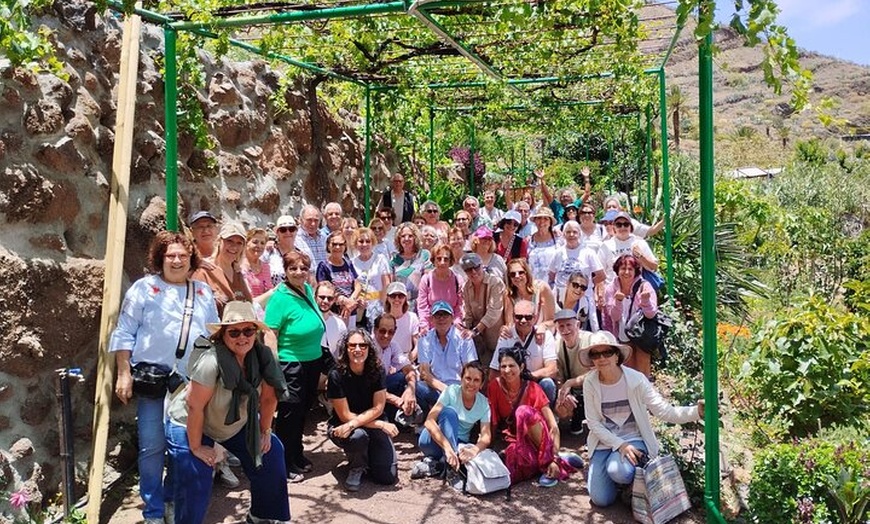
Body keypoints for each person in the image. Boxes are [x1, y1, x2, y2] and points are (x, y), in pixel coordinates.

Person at [110, 231, 219, 524]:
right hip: (153, 382)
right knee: (152, 447)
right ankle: (153, 510)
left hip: (191, 384)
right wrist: (123, 373)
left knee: (182, 448)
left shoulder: (202, 292)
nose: (177, 260)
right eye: (171, 255)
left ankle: (171, 498)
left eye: (183, 255)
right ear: (160, 258)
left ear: (191, 258)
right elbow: (124, 331)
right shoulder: (144, 288)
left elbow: (214, 334)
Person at [165, 301, 290, 524]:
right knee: (198, 474)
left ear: (256, 332)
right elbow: (194, 406)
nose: (242, 337)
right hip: (190, 422)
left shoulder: (263, 357)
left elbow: (269, 398)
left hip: (231, 422)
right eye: (234, 332)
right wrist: (196, 447)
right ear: (223, 334)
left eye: (248, 331)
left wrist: (265, 431)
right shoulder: (211, 361)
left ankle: (262, 516)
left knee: (271, 453)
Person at [581, 330, 703, 507]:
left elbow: (664, 411)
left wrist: (696, 412)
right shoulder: (590, 382)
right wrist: (620, 445)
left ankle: (630, 483)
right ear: (592, 359)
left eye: (607, 352)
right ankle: (618, 480)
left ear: (617, 355)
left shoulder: (635, 380)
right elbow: (593, 423)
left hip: (633, 438)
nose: (602, 358)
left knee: (619, 471)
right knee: (601, 499)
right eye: (595, 354)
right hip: (604, 441)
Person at [264, 251, 326, 481]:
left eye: (303, 268)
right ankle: (284, 461)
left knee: (302, 412)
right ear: (285, 271)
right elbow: (270, 333)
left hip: (312, 360)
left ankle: (296, 454)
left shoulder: (307, 289)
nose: (299, 272)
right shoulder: (279, 298)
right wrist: (274, 367)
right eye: (293, 268)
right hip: (291, 362)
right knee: (289, 415)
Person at [487, 345, 580, 486]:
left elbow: (553, 426)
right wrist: (489, 448)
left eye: (511, 366)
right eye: (503, 366)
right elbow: (493, 421)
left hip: (540, 438)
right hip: (517, 441)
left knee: (523, 412)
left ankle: (551, 463)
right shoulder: (494, 387)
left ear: (521, 367)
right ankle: (562, 460)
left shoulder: (533, 388)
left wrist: (553, 458)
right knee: (511, 469)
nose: (507, 370)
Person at [327, 329, 400, 491]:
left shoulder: (378, 370)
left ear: (369, 348)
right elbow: (345, 416)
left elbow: (378, 408)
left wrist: (354, 424)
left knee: (387, 477)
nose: (358, 349)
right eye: (352, 345)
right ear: (345, 348)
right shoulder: (336, 375)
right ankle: (357, 466)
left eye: (362, 345)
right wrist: (380, 424)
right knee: (358, 436)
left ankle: (369, 456)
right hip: (343, 426)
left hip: (363, 423)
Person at [412, 362, 492, 479]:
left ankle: (439, 464)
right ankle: (450, 465)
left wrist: (474, 450)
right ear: (461, 379)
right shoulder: (451, 392)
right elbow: (429, 421)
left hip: (459, 444)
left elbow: (486, 436)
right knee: (449, 412)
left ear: (481, 384)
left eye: (476, 380)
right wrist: (448, 448)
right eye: (468, 378)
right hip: (434, 440)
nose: (471, 383)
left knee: (458, 454)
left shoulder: (483, 403)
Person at [416, 301, 479, 417]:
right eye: (437, 315)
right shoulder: (424, 339)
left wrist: (457, 392)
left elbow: (471, 371)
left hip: (460, 389)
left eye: (445, 315)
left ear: (452, 318)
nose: (441, 319)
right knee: (418, 387)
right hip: (436, 388)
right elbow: (424, 373)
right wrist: (446, 390)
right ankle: (427, 417)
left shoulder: (464, 338)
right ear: (432, 319)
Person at [490, 300, 558, 405]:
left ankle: (544, 414)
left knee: (548, 384)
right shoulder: (506, 336)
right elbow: (494, 372)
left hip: (536, 382)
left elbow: (552, 369)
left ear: (535, 317)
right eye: (518, 317)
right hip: (512, 384)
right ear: (513, 317)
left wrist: (529, 376)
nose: (523, 321)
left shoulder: (545, 335)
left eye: (528, 317)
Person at [603, 254, 658, 377]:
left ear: (635, 271)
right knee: (628, 373)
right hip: (622, 335)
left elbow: (651, 314)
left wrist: (645, 301)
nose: (626, 272)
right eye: (623, 268)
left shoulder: (645, 286)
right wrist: (618, 301)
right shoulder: (610, 289)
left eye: (630, 269)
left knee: (643, 374)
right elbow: (614, 317)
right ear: (617, 270)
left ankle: (645, 388)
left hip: (642, 335)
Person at [191, 222, 254, 316]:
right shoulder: (204, 272)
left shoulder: (238, 274)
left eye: (239, 243)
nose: (234, 246)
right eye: (229, 241)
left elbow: (250, 305)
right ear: (219, 241)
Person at [552, 309, 594, 435]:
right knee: (561, 408)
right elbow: (559, 377)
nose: (565, 330)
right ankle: (576, 417)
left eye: (569, 325)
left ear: (578, 325)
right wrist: (564, 393)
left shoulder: (590, 341)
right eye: (561, 326)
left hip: (593, 388)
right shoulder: (557, 346)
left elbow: (599, 372)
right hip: (574, 392)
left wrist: (572, 382)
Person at [460, 253, 506, 369]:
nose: (473, 272)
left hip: (496, 338)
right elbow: (468, 313)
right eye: (469, 270)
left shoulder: (495, 282)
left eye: (476, 267)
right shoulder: (466, 287)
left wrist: (475, 330)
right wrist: (466, 329)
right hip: (479, 341)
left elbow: (494, 312)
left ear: (482, 266)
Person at [370, 314, 418, 424]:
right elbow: (369, 387)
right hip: (368, 392)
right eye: (382, 331)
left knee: (408, 381)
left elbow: (408, 369)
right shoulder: (367, 347)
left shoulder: (393, 345)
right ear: (375, 330)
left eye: (390, 332)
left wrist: (410, 390)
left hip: (383, 388)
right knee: (400, 379)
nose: (386, 335)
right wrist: (399, 401)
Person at [549, 220, 605, 311]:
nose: (571, 235)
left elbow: (601, 275)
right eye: (568, 232)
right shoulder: (558, 253)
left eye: (574, 232)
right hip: (561, 299)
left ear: (579, 234)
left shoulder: (588, 252)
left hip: (583, 297)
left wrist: (586, 285)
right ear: (564, 234)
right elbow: (551, 275)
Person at [316, 231, 362, 328]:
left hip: (351, 311)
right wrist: (345, 301)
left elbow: (357, 285)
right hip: (333, 313)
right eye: (334, 244)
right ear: (328, 246)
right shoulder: (323, 266)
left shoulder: (348, 263)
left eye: (341, 244)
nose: (337, 247)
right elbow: (323, 289)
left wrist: (351, 301)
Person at [599, 211, 659, 284]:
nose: (622, 227)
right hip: (612, 287)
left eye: (626, 224)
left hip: (636, 287)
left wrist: (641, 257)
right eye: (619, 225)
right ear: (614, 228)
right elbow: (599, 271)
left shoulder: (640, 243)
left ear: (631, 227)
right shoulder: (606, 245)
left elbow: (654, 267)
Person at [416, 243, 463, 334]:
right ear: (433, 260)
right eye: (439, 258)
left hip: (452, 328)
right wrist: (424, 326)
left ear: (450, 261)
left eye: (446, 259)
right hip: (431, 328)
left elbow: (460, 306)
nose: (442, 262)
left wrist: (457, 323)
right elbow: (422, 306)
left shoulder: (457, 279)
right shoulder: (426, 279)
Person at [351, 227, 391, 329]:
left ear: (372, 243)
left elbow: (386, 284)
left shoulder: (380, 259)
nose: (364, 244)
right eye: (361, 241)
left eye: (368, 241)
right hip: (359, 308)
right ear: (356, 244)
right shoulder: (352, 262)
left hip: (377, 305)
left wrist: (384, 306)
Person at [504, 258, 556, 334]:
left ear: (527, 274)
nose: (517, 276)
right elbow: (510, 324)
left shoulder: (542, 288)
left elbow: (552, 321)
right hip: (523, 335)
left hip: (545, 332)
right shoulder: (509, 295)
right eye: (513, 274)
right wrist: (505, 330)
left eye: (521, 272)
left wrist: (542, 326)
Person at [389, 223, 430, 311]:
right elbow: (392, 284)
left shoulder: (424, 255)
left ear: (415, 238)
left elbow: (428, 281)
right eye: (403, 236)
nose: (406, 239)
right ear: (398, 239)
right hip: (400, 304)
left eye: (410, 236)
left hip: (420, 304)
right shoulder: (394, 258)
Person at [383, 281, 420, 363]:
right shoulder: (381, 319)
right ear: (388, 298)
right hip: (386, 360)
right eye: (393, 296)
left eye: (401, 296)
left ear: (405, 298)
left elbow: (418, 344)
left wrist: (409, 360)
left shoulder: (412, 318)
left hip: (406, 359)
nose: (397, 299)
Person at [526, 207, 558, 284]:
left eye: (546, 219)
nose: (542, 221)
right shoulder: (529, 240)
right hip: (534, 283)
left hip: (554, 284)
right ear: (535, 221)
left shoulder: (558, 239)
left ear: (550, 222)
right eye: (539, 218)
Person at [265, 215, 299, 287]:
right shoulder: (268, 252)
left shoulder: (301, 254)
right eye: (283, 230)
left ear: (296, 231)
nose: (288, 232)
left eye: (291, 229)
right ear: (277, 233)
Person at [241, 227, 273, 303]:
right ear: (246, 243)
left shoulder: (266, 267)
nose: (259, 246)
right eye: (255, 242)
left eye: (262, 243)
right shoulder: (239, 266)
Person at [295, 204, 329, 271]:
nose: (313, 224)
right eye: (309, 220)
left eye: (316, 220)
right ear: (301, 220)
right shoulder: (295, 239)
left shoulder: (324, 238)